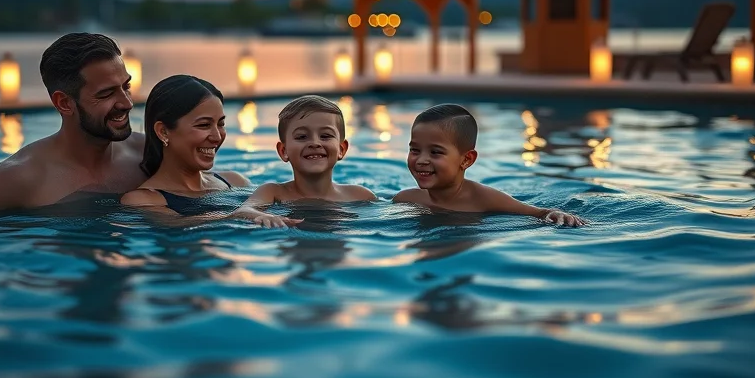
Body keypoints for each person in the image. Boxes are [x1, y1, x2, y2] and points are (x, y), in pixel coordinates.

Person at [0, 33, 145, 214]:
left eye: (126, 87)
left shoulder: (147, 154)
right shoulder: (18, 178)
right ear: (64, 103)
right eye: (106, 94)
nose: (127, 103)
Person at [121, 75, 299, 228]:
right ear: (163, 131)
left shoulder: (235, 181)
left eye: (220, 124)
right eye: (204, 125)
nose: (216, 136)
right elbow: (179, 223)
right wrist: (240, 216)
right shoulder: (143, 200)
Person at [393, 104, 586, 226]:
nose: (421, 160)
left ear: (466, 159)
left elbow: (537, 212)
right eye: (415, 150)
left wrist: (557, 214)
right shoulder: (406, 199)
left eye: (435, 152)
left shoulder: (484, 199)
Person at [234, 95, 376, 227]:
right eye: (302, 137)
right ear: (284, 151)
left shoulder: (359, 195)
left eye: (325, 135)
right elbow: (243, 210)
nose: (314, 143)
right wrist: (261, 216)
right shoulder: (273, 192)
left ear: (341, 149)